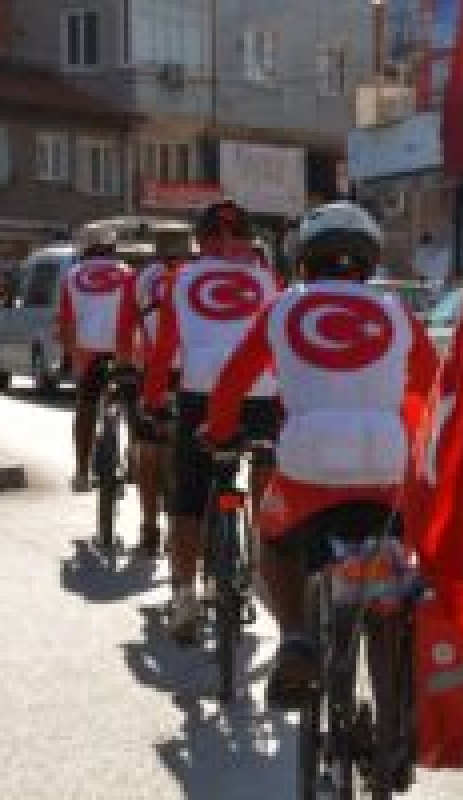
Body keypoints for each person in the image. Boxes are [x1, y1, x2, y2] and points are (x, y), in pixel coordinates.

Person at [203, 201, 438, 709]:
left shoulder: (282, 308)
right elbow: (431, 387)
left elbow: (234, 379)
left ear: (304, 258)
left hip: (307, 461)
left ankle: (295, 638)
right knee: (394, 554)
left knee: (274, 541)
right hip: (385, 461)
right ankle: (397, 706)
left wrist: (220, 432)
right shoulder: (397, 313)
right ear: (369, 260)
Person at [142, 200, 282, 643]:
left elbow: (165, 349)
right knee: (262, 467)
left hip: (201, 394)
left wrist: (153, 400)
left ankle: (184, 597)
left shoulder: (180, 280)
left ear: (199, 242)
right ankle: (258, 551)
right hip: (259, 393)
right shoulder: (267, 280)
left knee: (188, 496)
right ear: (249, 241)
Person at [57, 226, 138, 494]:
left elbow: (66, 323)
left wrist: (72, 357)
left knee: (86, 406)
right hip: (125, 351)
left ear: (84, 250)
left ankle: (82, 472)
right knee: (133, 404)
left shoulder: (73, 276)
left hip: (89, 352)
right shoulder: (127, 272)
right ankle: (135, 460)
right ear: (112, 249)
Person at [126, 254, 182, 557]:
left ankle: (150, 530)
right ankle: (183, 531)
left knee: (148, 452)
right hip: (200, 379)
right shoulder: (208, 275)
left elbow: (130, 324)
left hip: (155, 370)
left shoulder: (146, 278)